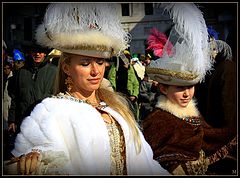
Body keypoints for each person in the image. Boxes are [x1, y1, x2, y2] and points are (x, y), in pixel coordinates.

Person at [5, 3, 169, 175]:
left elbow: (144, 163)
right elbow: (42, 154)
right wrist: (37, 158)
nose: (95, 71)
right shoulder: (50, 112)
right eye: (85, 63)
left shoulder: (117, 110)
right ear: (67, 67)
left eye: (100, 62)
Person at [141, 3, 237, 175]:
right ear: (163, 88)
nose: (187, 93)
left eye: (190, 87)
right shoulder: (156, 122)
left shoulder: (193, 114)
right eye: (180, 88)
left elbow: (212, 138)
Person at [7, 42, 57, 136]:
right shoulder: (21, 72)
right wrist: (12, 120)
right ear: (30, 53)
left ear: (45, 53)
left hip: (46, 123)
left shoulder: (54, 72)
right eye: (34, 51)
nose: (37, 54)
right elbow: (15, 98)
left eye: (40, 52)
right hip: (23, 122)